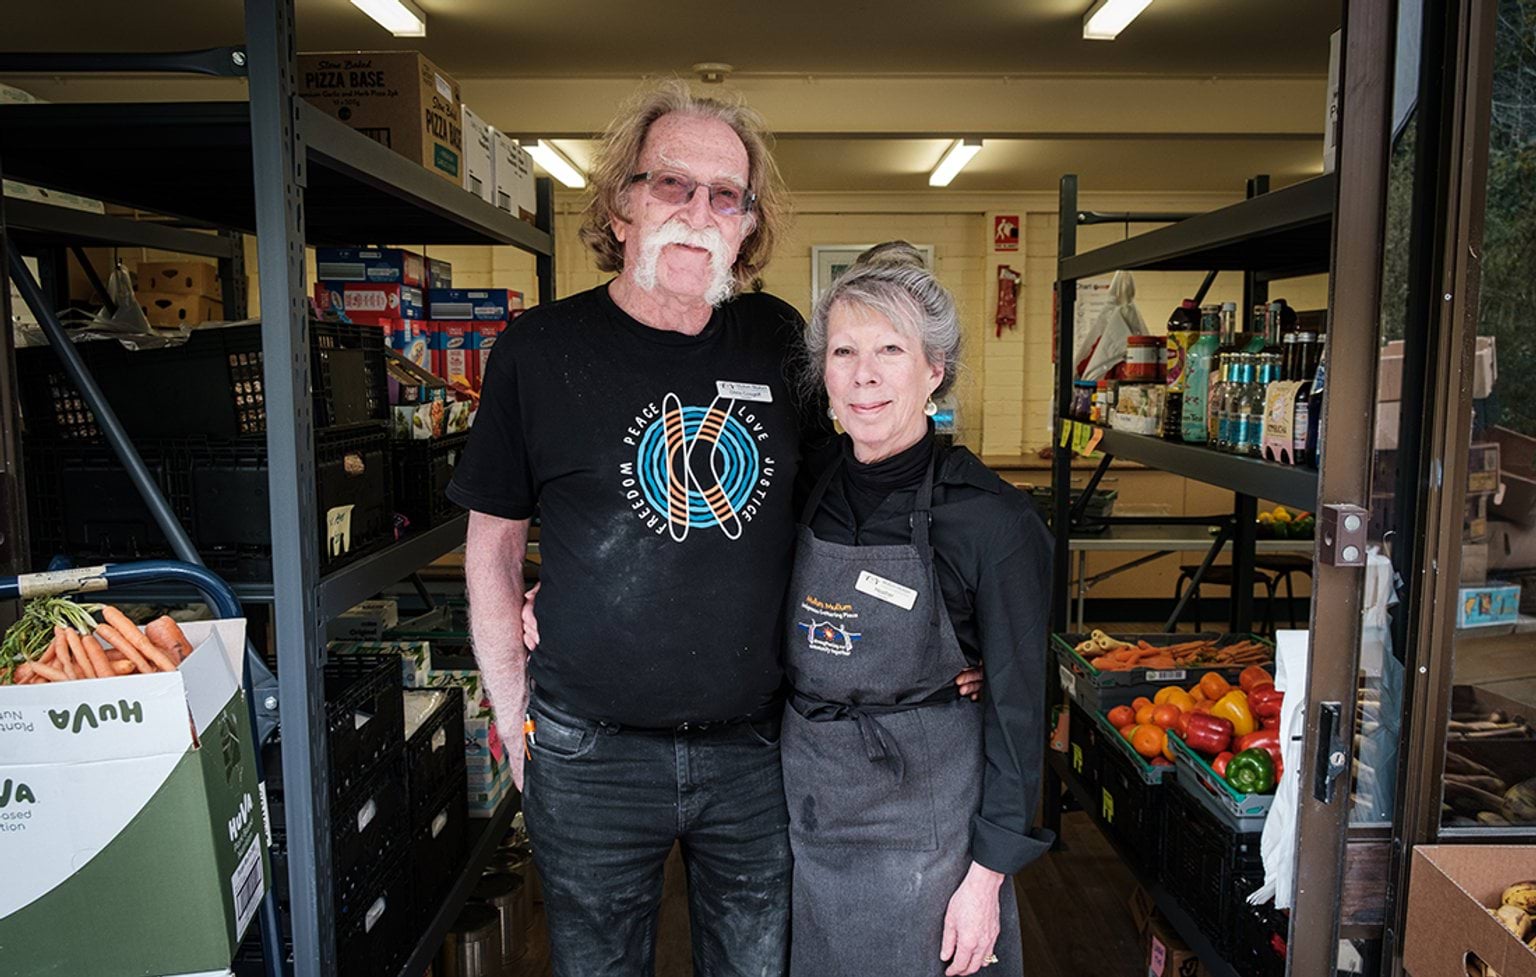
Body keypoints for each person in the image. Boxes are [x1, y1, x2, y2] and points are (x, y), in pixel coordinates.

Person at [448, 84, 976, 977]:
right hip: (588, 752)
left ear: (746, 225)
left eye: (724, 196)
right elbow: (491, 550)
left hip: (758, 752)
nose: (698, 213)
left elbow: (856, 496)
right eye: (671, 186)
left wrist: (949, 624)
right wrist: (514, 722)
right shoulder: (536, 351)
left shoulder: (773, 338)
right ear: (620, 205)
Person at [782, 242, 1054, 977]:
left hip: (929, 834)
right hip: (808, 814)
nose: (864, 374)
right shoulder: (803, 487)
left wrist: (988, 877)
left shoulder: (993, 521)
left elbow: (1021, 712)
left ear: (934, 371)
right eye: (843, 351)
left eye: (890, 349)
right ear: (824, 377)